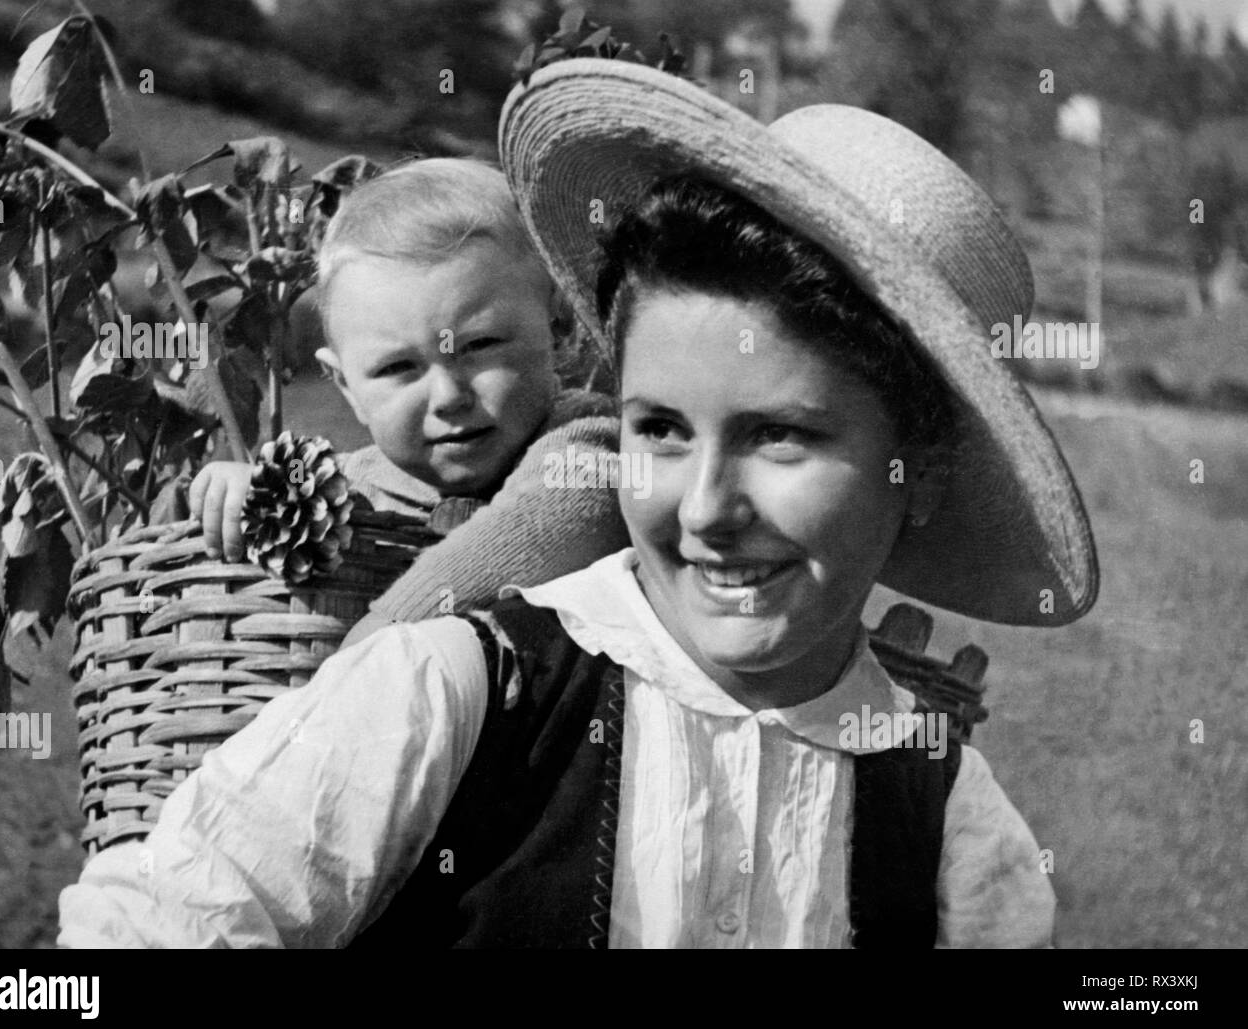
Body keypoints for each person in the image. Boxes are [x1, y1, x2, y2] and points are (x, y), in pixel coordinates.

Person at [58, 59, 1099, 949]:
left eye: (781, 434)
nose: (703, 510)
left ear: (915, 472)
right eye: (657, 429)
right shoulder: (461, 691)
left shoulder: (952, 821)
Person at [186, 157, 627, 630]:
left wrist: (370, 648)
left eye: (479, 346)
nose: (448, 397)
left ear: (558, 326)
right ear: (346, 386)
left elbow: (539, 528)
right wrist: (250, 497)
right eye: (398, 368)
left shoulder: (584, 445)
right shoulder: (346, 487)